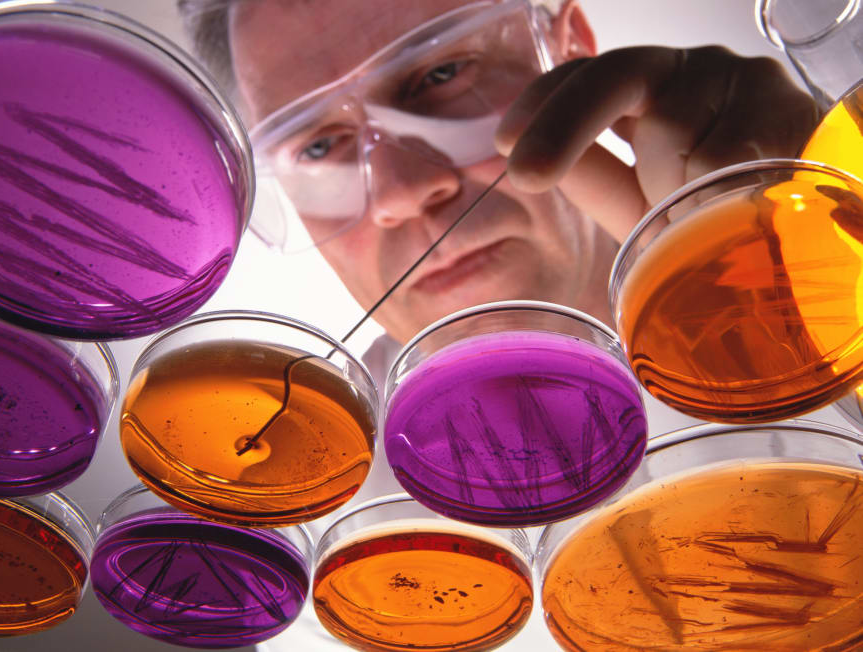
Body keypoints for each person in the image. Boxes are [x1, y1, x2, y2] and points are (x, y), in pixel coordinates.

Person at [174, 1, 819, 649]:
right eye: (316, 145)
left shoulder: (821, 289)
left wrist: (837, 223)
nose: (401, 190)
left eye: (441, 74)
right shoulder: (317, 547)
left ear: (568, 48)